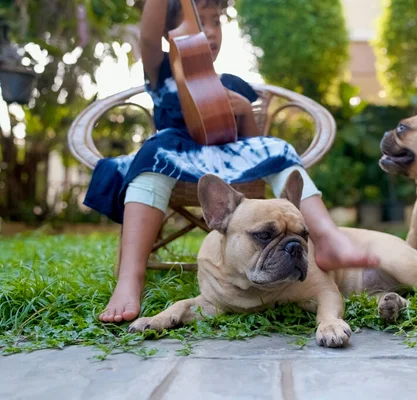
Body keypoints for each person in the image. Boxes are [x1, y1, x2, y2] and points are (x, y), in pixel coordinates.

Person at [85, 0, 379, 323]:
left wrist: (242, 112)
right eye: (200, 23)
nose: (209, 32)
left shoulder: (234, 85)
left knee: (277, 147)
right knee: (151, 157)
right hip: (175, 156)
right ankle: (131, 276)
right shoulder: (162, 70)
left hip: (229, 164)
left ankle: (325, 237)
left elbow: (254, 145)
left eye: (216, 23)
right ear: (173, 34)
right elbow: (148, 38)